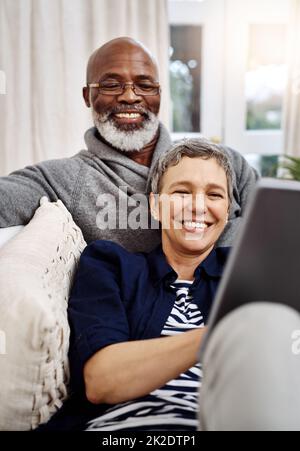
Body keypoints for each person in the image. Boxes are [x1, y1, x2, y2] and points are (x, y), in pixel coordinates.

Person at [0, 37, 258, 253]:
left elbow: (277, 226)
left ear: (158, 95)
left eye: (145, 85)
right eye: (111, 85)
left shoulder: (226, 162)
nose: (130, 96)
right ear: (87, 96)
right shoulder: (65, 180)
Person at [67, 138, 232, 431]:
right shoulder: (111, 266)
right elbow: (102, 381)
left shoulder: (245, 271)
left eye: (215, 195)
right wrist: (217, 335)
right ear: (155, 206)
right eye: (182, 192)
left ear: (228, 209)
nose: (197, 206)